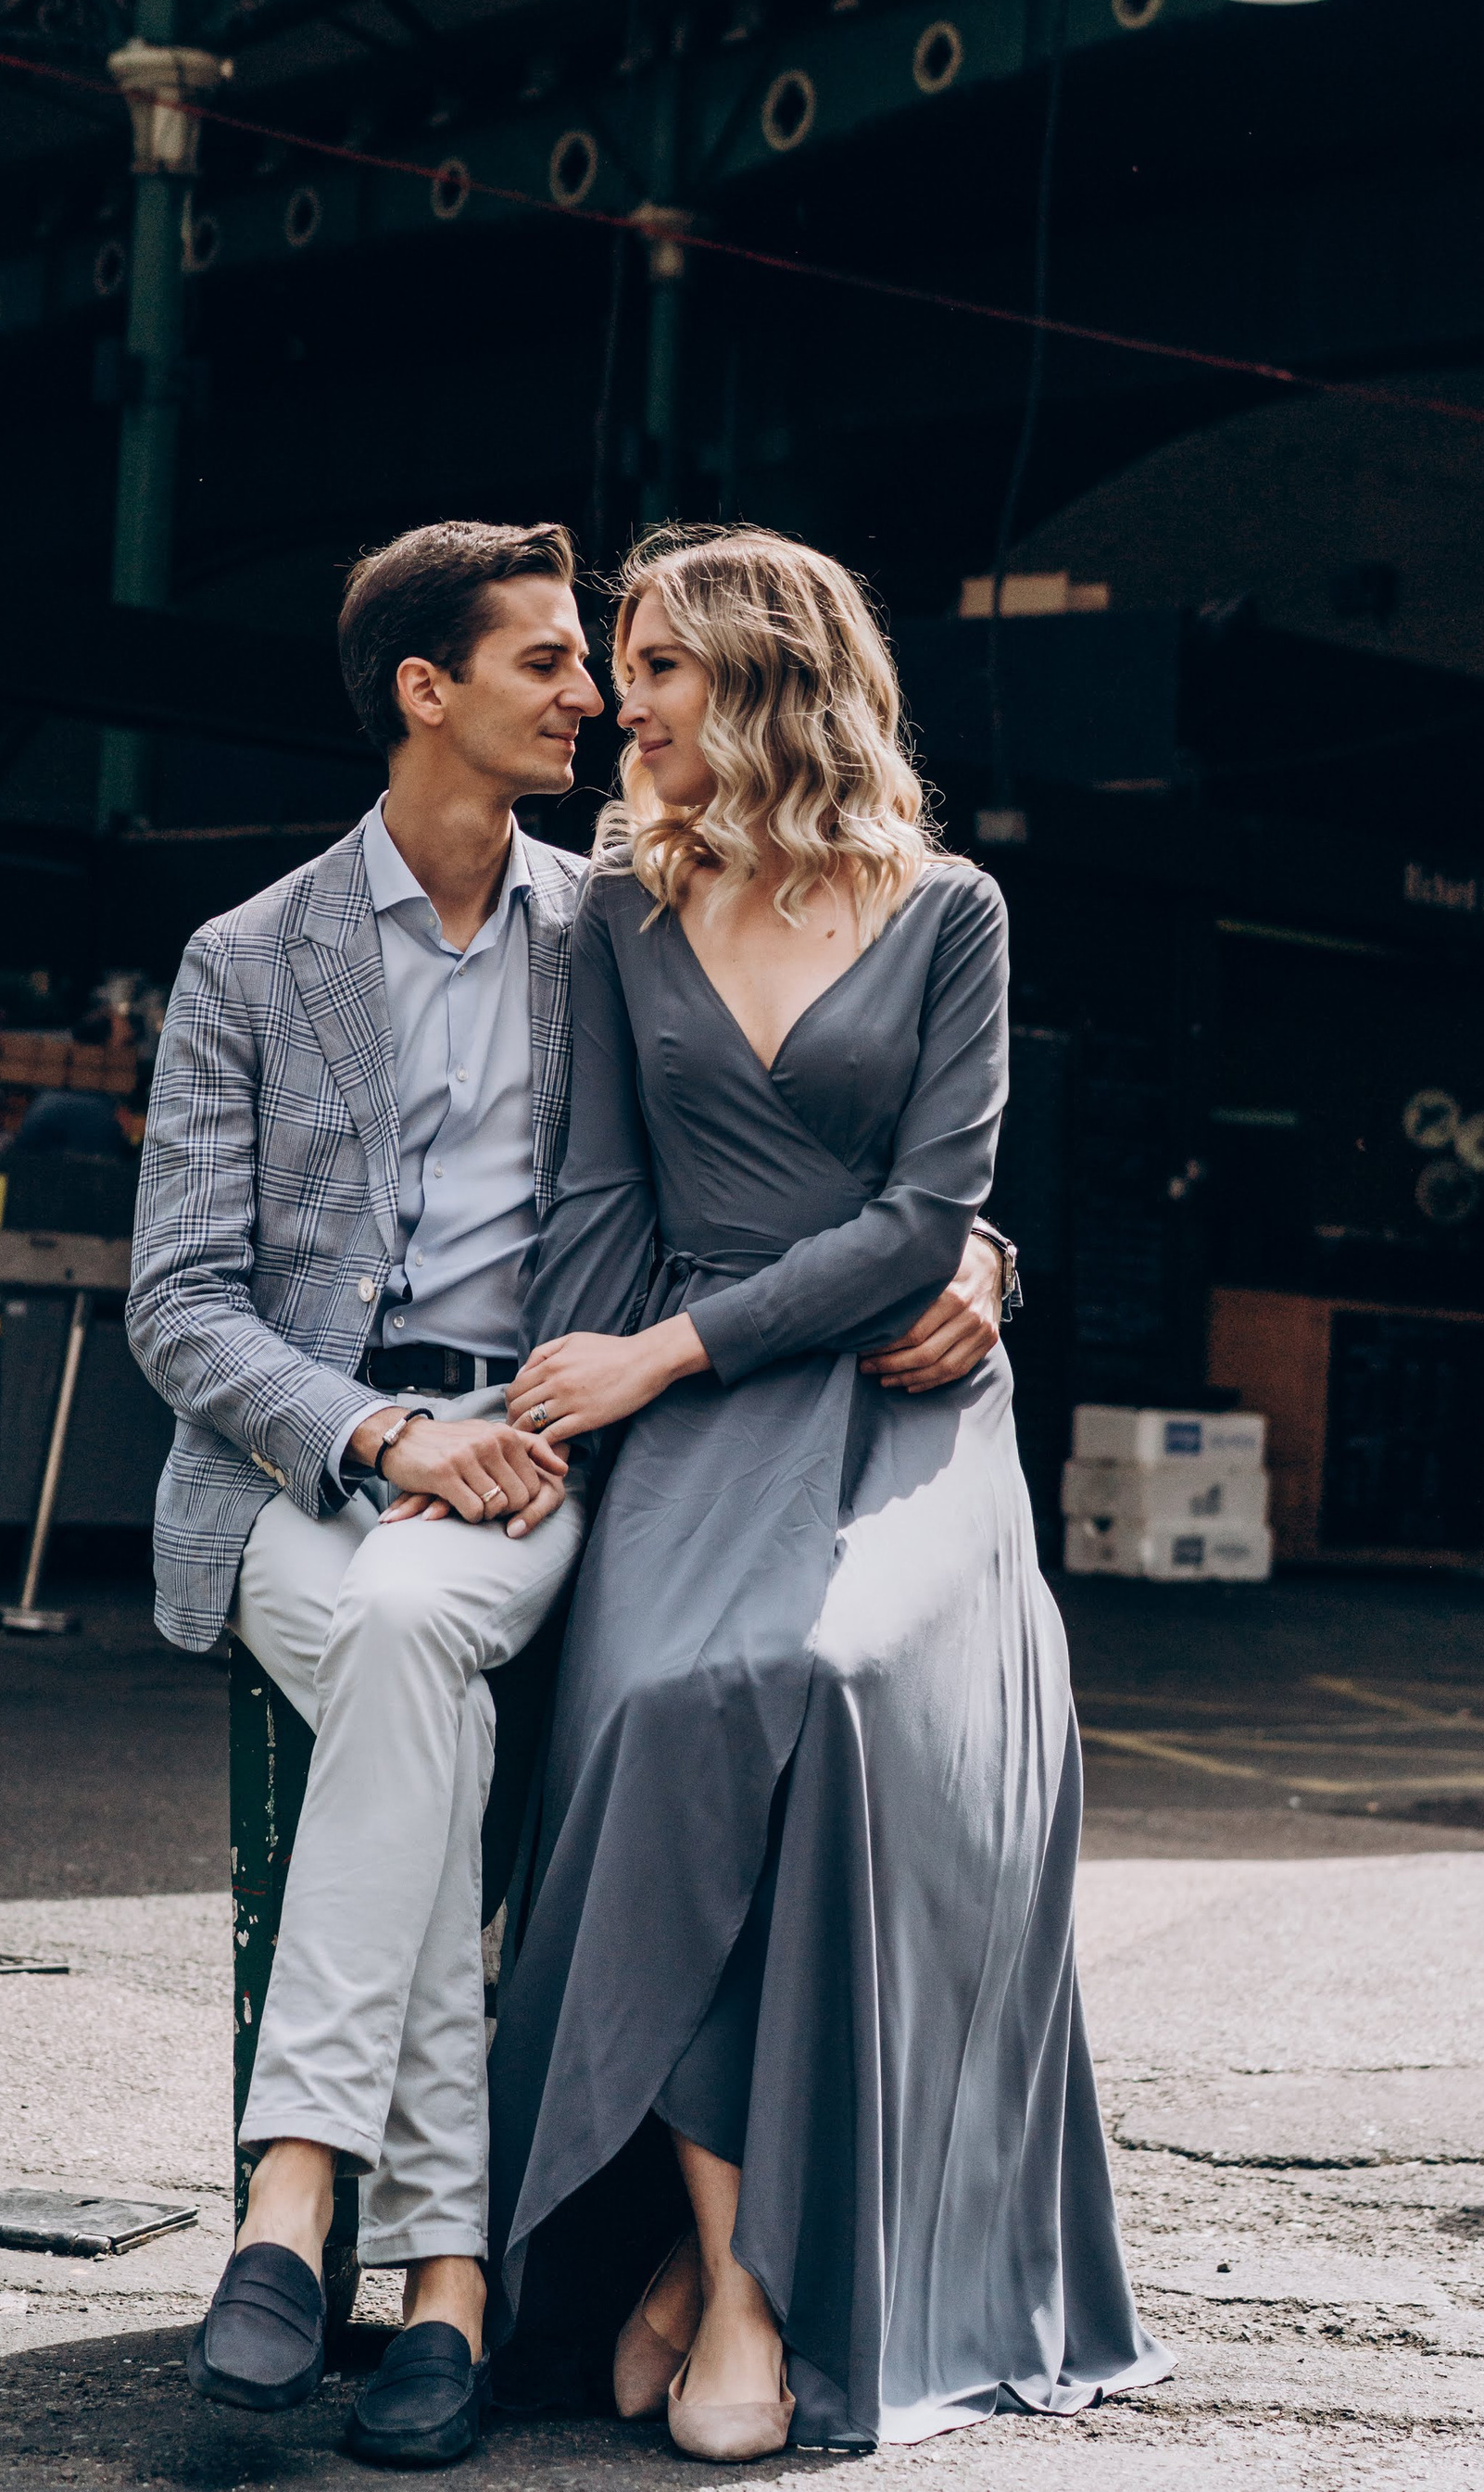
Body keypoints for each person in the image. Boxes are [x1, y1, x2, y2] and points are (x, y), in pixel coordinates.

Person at [125, 520, 1008, 2473]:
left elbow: (825, 1160)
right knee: (395, 1641)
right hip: (335, 1461)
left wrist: (966, 1251)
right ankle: (429, 2254)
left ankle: (308, 2213)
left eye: (620, 662)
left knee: (428, 1638)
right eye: (551, 659)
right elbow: (177, 1301)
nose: (596, 695)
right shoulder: (249, 958)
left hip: (552, 1448)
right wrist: (380, 1436)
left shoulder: (595, 907)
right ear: (424, 691)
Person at [484, 524, 1169, 2458]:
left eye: (660, 663)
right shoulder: (623, 901)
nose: (625, 698)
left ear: (766, 675)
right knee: (674, 1696)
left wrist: (679, 1348)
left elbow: (923, 1219)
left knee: (846, 1687)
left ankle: (751, 2291)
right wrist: (566, 1412)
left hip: (896, 1399)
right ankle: (713, 2250)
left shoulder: (947, 906)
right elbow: (603, 1199)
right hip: (686, 1408)